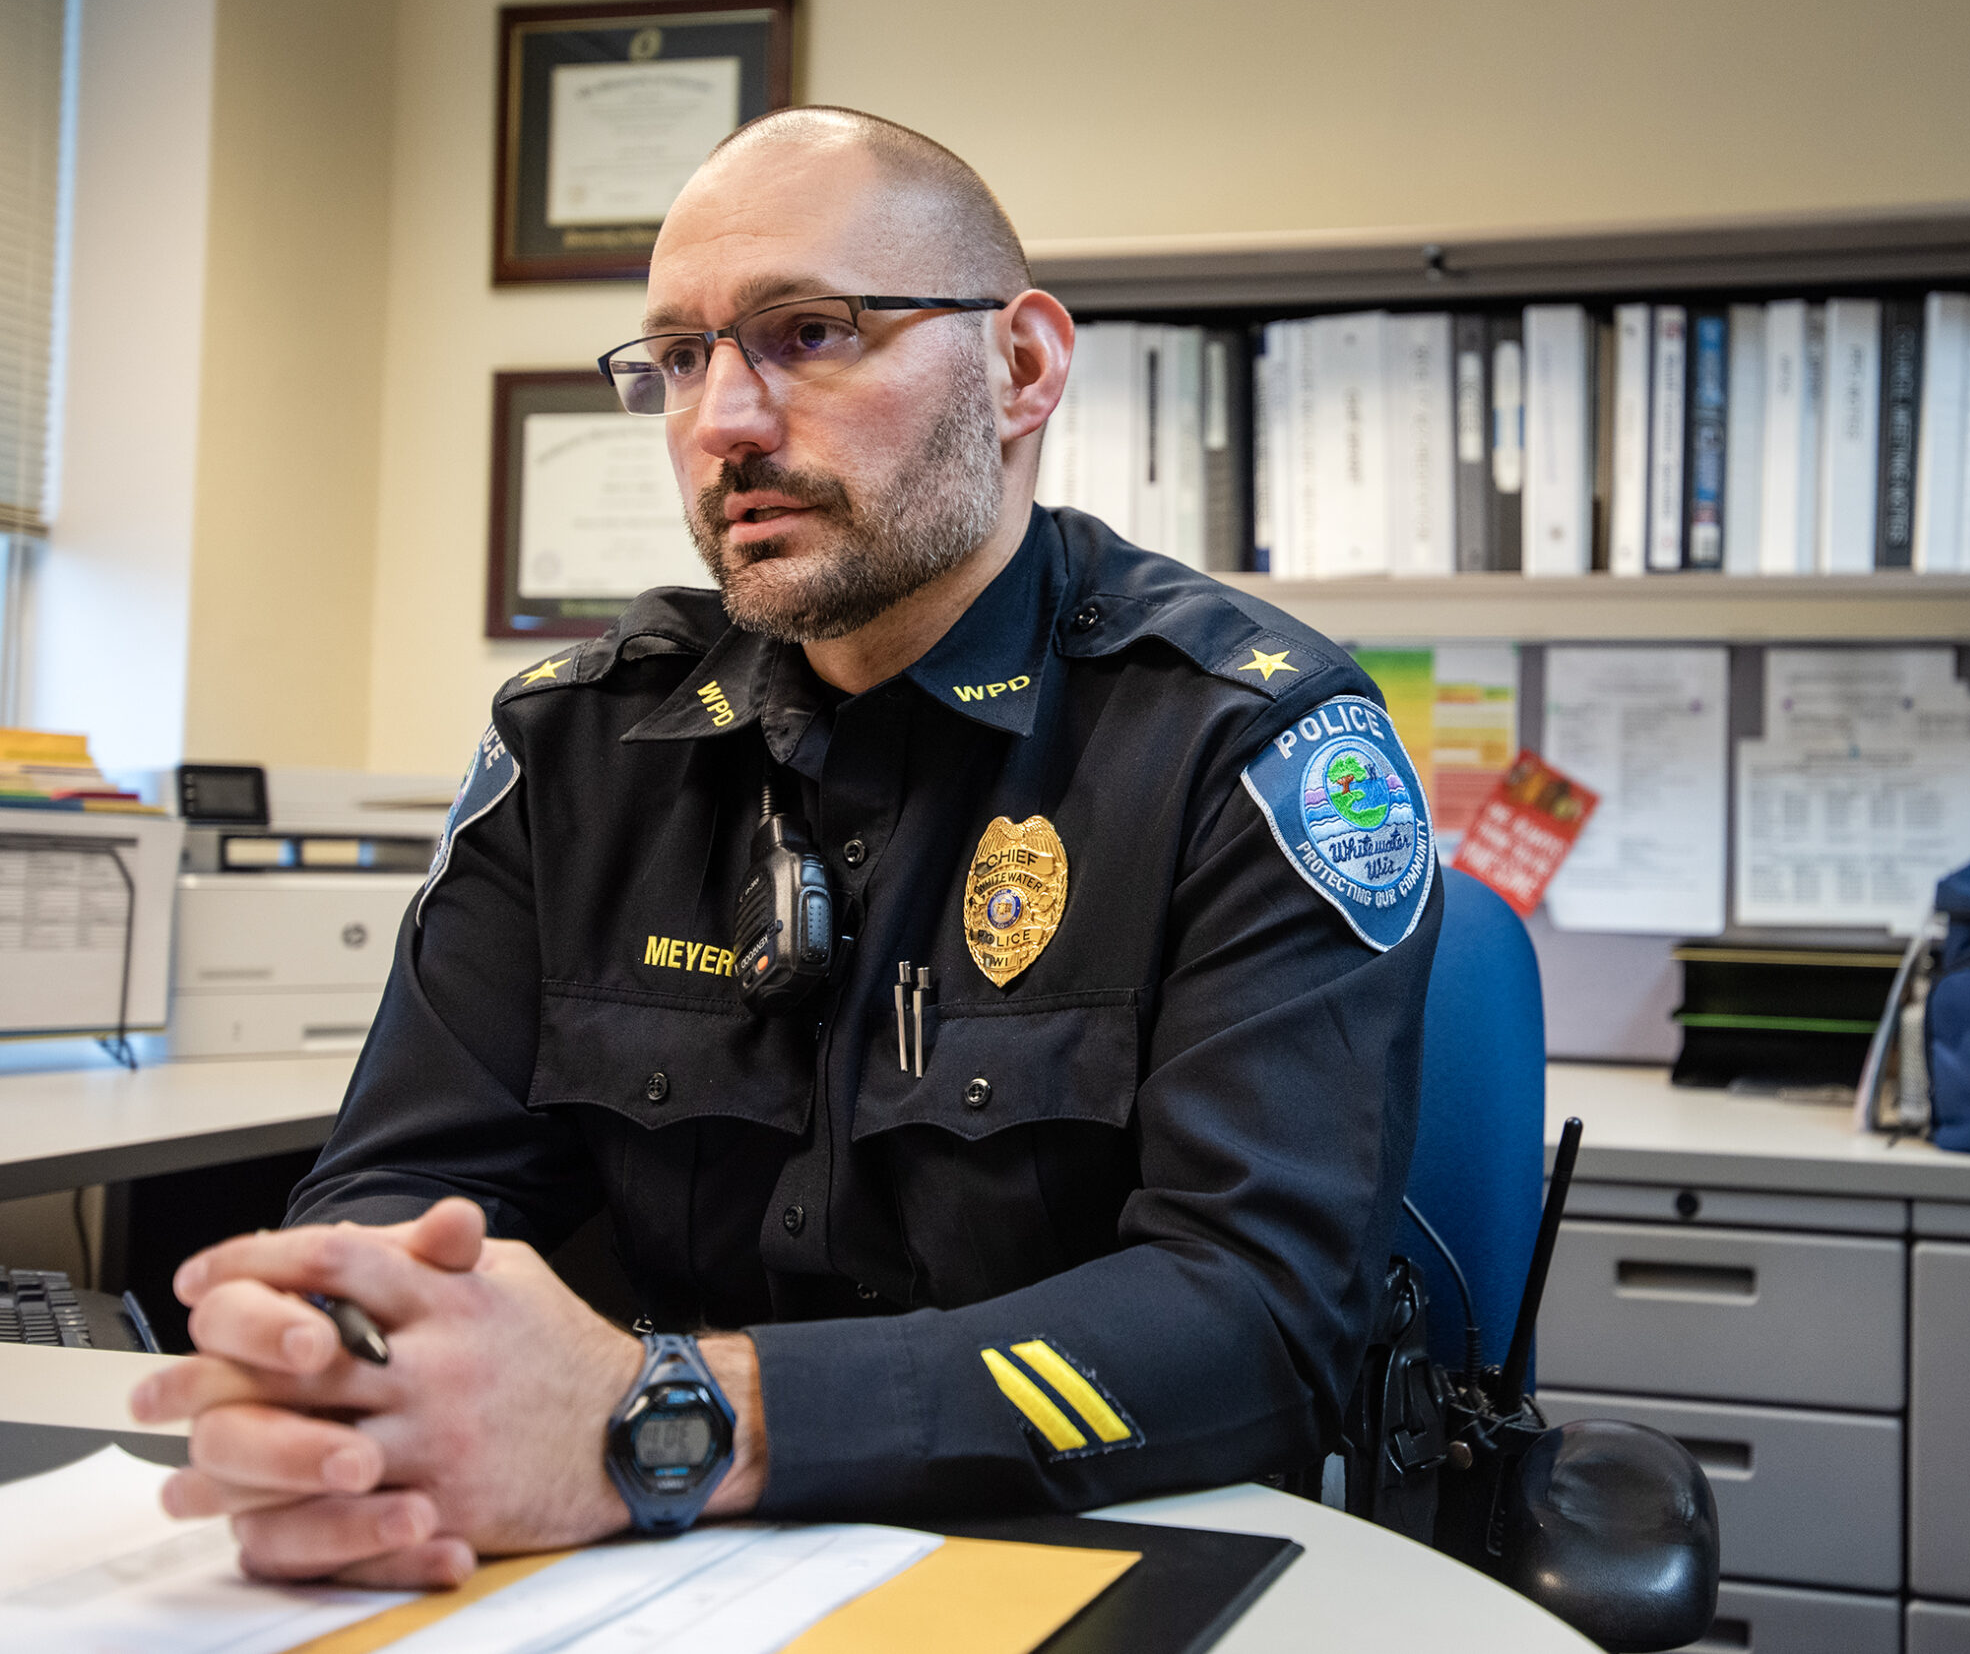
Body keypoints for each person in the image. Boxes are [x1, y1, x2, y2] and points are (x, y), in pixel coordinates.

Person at [130, 107, 1441, 1588]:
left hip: (1087, 1551)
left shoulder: (1247, 743)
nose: (725, 423)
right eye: (681, 359)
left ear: (1021, 368)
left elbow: (1262, 1323)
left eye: (808, 333)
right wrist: (346, 1358)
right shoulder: (577, 747)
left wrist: (679, 1420)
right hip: (636, 1570)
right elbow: (405, 1193)